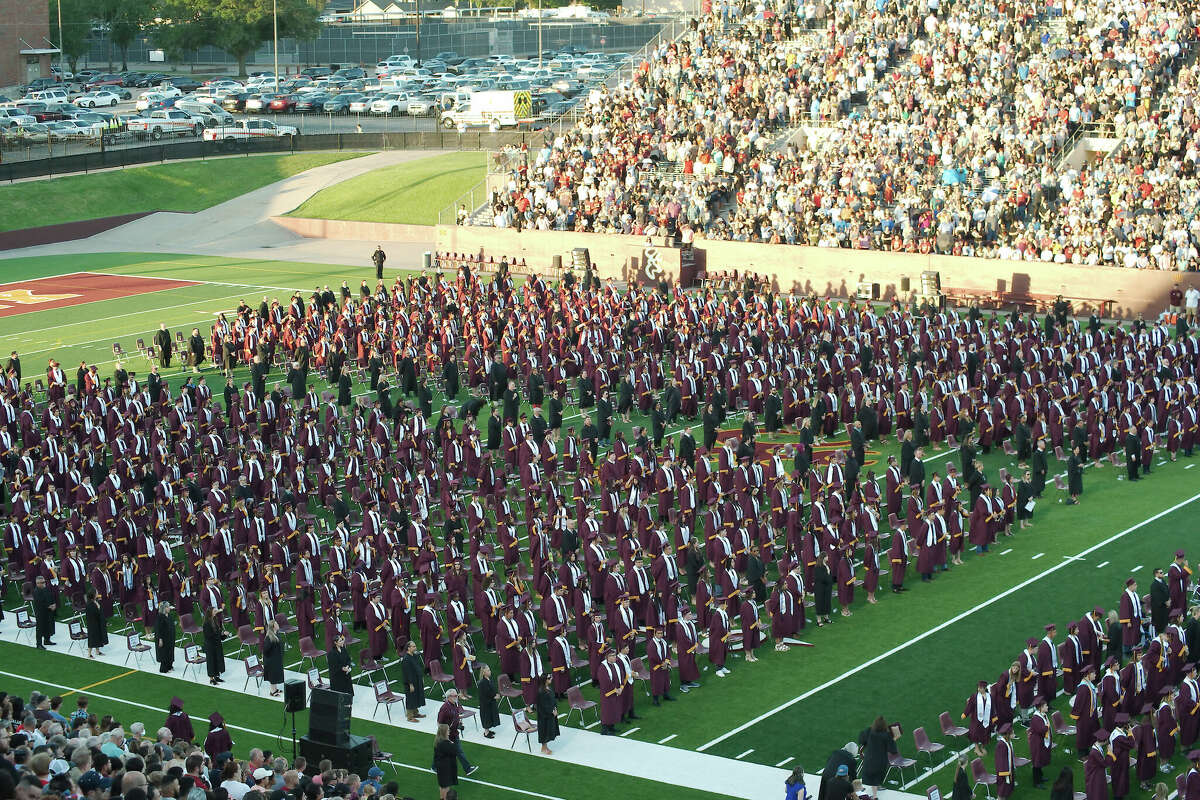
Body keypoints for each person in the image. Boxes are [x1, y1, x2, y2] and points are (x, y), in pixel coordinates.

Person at [857, 717, 897, 798]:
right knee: (876, 778)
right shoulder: (886, 735)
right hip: (880, 762)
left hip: (869, 760)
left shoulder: (869, 731)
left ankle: (873, 794)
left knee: (870, 779)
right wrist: (894, 740)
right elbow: (893, 750)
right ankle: (875, 796)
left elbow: (861, 740)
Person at [401, 639, 426, 722]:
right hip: (410, 682)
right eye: (413, 646)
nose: (415, 648)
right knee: (411, 698)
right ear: (408, 648)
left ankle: (415, 713)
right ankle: (410, 716)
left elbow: (418, 668)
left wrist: (421, 678)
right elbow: (407, 673)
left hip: (417, 680)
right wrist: (410, 684)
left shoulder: (414, 656)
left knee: (416, 696)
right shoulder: (406, 659)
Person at [534, 674, 560, 755]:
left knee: (549, 730)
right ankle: (544, 748)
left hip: (551, 713)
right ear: (545, 680)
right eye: (549, 678)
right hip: (544, 716)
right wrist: (551, 711)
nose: (551, 679)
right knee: (544, 731)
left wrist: (555, 709)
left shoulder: (548, 688)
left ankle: (545, 747)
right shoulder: (541, 692)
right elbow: (543, 705)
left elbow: (553, 700)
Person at [433, 724, 458, 800]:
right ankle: (444, 798)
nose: (449, 732)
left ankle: (442, 798)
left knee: (442, 785)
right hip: (445, 767)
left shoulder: (438, 740)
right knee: (445, 786)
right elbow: (454, 751)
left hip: (441, 766)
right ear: (444, 732)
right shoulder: (445, 743)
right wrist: (453, 744)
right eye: (448, 730)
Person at [203, 606, 225, 685]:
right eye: (214, 611)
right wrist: (220, 633)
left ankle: (216, 676)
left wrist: (223, 634)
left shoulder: (216, 620)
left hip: (217, 644)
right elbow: (209, 635)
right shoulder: (206, 623)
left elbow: (219, 633)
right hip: (210, 645)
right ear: (210, 612)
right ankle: (211, 679)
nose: (216, 611)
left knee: (217, 660)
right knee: (211, 661)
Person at [33, 574, 57, 648]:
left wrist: (54, 604)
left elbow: (51, 596)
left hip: (49, 611)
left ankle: (47, 640)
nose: (44, 584)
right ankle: (39, 644)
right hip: (41, 612)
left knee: (48, 625)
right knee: (40, 627)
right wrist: (49, 606)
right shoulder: (36, 591)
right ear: (37, 583)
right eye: (42, 582)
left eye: (44, 582)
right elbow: (39, 602)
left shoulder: (46, 588)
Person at [477, 663, 500, 739]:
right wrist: (494, 697)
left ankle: (488, 730)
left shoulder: (489, 680)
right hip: (485, 704)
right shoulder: (482, 683)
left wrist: (496, 694)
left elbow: (493, 688)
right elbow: (485, 693)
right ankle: (486, 732)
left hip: (491, 702)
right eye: (488, 670)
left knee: (490, 716)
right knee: (486, 717)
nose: (490, 671)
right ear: (484, 672)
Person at [262, 619, 284, 696]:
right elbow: (265, 650)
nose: (278, 625)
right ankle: (272, 691)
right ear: (273, 626)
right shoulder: (269, 637)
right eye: (276, 624)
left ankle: (275, 688)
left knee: (275, 674)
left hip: (276, 659)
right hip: (271, 660)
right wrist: (270, 658)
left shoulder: (276, 634)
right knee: (272, 675)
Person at [85, 588, 108, 658]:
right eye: (96, 592)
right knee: (92, 638)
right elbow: (94, 614)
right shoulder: (89, 604)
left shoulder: (95, 601)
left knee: (98, 636)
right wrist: (98, 608)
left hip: (98, 622)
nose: (97, 593)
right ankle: (89, 654)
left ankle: (97, 651)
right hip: (92, 623)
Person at [155, 602, 176, 673]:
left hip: (170, 637)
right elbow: (158, 629)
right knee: (164, 652)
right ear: (164, 608)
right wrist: (160, 639)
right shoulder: (160, 617)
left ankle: (169, 665)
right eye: (167, 607)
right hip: (163, 638)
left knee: (170, 651)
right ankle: (163, 669)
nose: (169, 608)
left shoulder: (169, 616)